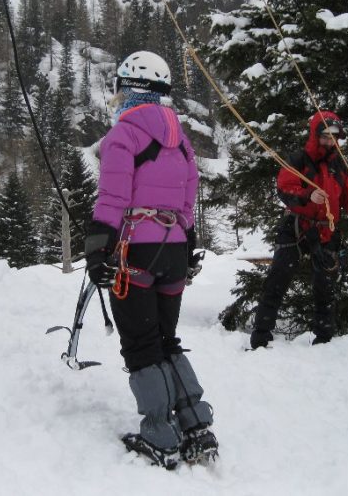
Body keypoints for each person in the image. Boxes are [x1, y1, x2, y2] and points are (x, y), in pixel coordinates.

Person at [84, 51, 216, 470]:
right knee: (166, 338)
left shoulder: (123, 136)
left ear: (129, 89)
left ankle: (160, 433)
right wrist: (186, 238)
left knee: (141, 344)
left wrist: (97, 247)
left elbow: (113, 198)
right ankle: (196, 424)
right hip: (174, 250)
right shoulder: (182, 140)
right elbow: (188, 199)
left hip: (135, 251)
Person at [250, 111, 348, 349]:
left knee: (325, 287)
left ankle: (324, 340)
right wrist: (309, 195)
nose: (330, 141)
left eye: (334, 137)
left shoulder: (341, 166)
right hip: (296, 226)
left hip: (326, 230)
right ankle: (261, 336)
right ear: (315, 135)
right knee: (278, 278)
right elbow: (284, 188)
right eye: (325, 136)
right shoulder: (299, 159)